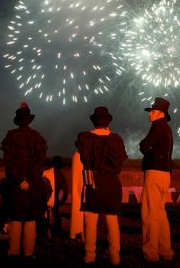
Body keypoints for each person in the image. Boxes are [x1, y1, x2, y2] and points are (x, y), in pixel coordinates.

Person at [75, 106, 128, 265]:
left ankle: (89, 255)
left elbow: (83, 159)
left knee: (90, 222)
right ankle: (115, 256)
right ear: (108, 122)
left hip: (92, 181)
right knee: (112, 222)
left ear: (94, 121)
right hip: (112, 183)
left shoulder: (85, 139)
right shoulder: (116, 139)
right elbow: (119, 164)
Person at [1, 102, 48, 260]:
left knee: (16, 218)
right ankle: (28, 252)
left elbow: (9, 163)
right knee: (30, 219)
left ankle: (13, 251)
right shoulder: (37, 137)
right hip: (32, 186)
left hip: (15, 186)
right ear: (29, 120)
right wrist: (29, 180)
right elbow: (39, 163)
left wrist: (20, 180)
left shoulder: (10, 137)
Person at [139, 97, 174, 262]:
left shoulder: (158, 125)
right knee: (160, 212)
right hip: (165, 173)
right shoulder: (166, 128)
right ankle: (165, 249)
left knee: (149, 213)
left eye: (152, 111)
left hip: (154, 172)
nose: (149, 114)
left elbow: (144, 146)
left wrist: (144, 145)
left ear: (160, 113)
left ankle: (151, 251)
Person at [69, 147, 84, 241]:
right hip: (81, 187)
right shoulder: (79, 155)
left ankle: (77, 232)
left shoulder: (76, 155)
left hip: (80, 187)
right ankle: (81, 233)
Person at [51, 155, 68, 237]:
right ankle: (57, 232)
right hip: (56, 200)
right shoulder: (60, 174)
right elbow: (64, 190)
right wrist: (62, 201)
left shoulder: (48, 172)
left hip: (48, 198)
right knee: (57, 216)